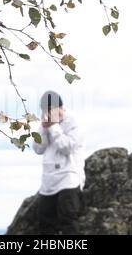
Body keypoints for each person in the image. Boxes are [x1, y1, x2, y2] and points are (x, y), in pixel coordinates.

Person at [32, 90, 85, 235]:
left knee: (68, 218)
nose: (49, 113)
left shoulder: (73, 122)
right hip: (49, 181)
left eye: (51, 109)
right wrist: (44, 128)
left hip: (69, 178)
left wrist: (54, 127)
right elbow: (38, 148)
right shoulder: (45, 124)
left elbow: (67, 147)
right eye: (46, 110)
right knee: (45, 222)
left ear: (61, 108)